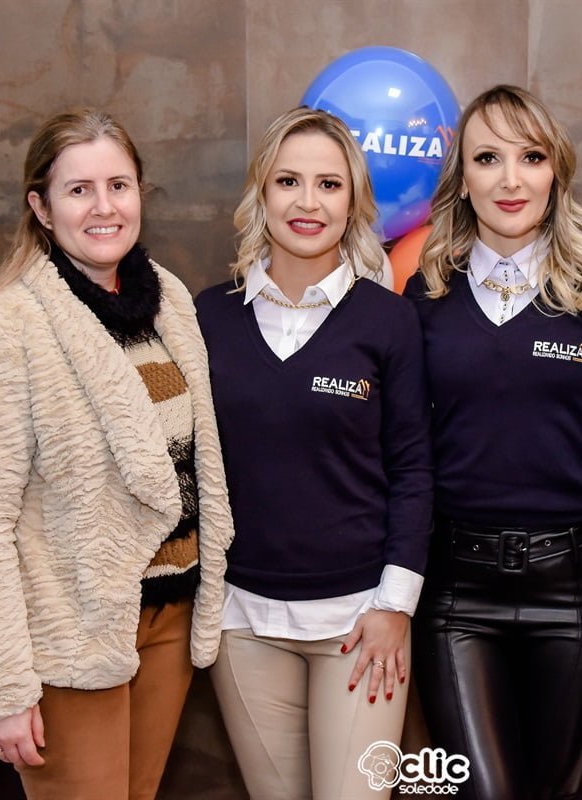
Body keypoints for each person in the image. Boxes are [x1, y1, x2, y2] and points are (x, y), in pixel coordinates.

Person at [0, 109, 234, 800]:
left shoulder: (169, 301)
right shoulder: (3, 327)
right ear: (41, 207)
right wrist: (1, 688)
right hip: (68, 634)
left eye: (118, 186)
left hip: (168, 618)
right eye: (78, 190)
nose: (104, 207)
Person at [404, 84, 582, 800]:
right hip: (455, 593)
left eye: (530, 157)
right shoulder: (425, 297)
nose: (510, 179)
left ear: (555, 172)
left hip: (575, 591)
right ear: (462, 180)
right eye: (488, 158)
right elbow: (403, 452)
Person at [195, 107, 432, 800]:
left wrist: (395, 607)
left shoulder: (388, 319)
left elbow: (414, 469)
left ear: (353, 201)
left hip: (361, 623)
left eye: (329, 184)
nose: (308, 202)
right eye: (288, 181)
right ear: (261, 194)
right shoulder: (208, 316)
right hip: (242, 623)